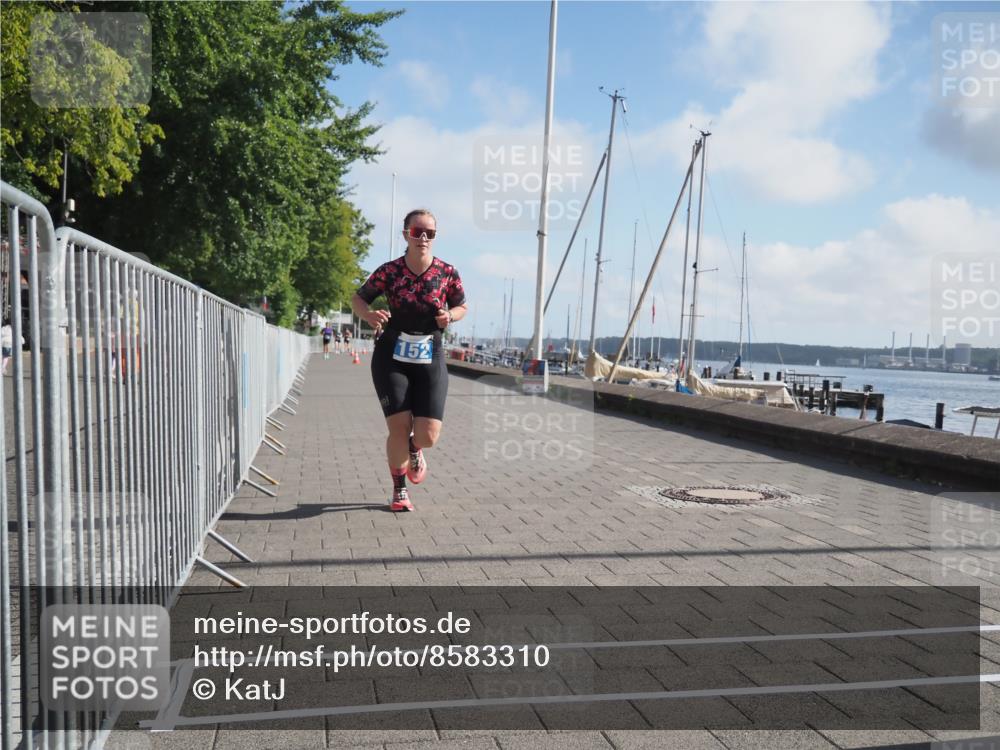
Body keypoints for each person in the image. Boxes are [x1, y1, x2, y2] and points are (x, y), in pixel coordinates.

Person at [351, 209, 467, 512]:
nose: (424, 238)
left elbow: (462, 306)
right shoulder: (390, 271)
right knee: (399, 426)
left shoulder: (447, 273)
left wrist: (449, 316)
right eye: (417, 232)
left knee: (428, 435)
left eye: (430, 233)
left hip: (430, 352)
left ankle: (416, 450)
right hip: (392, 354)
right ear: (406, 235)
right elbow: (358, 297)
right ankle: (399, 490)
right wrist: (368, 314)